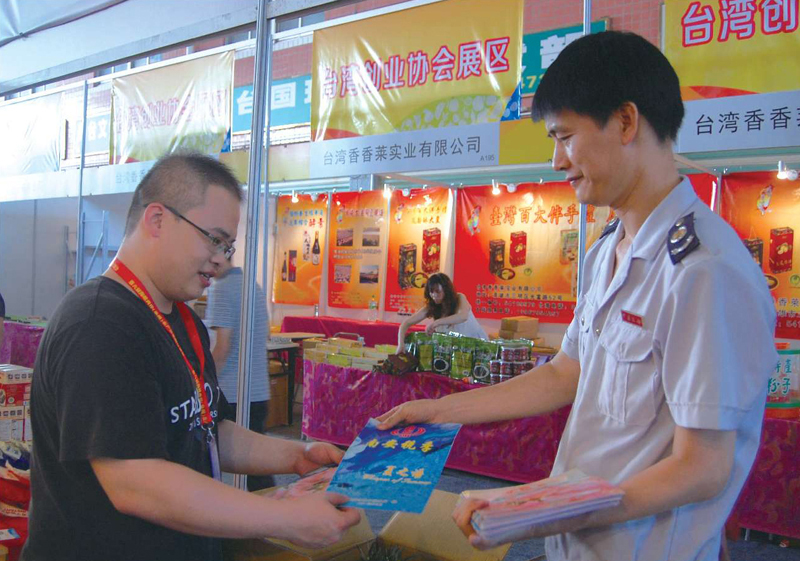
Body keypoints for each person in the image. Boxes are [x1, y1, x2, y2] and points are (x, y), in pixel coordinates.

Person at [378, 31, 777, 561]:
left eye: (564, 136)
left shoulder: (704, 271)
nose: (556, 160)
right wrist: (439, 410)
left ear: (626, 122)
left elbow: (703, 467)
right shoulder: (609, 248)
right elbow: (565, 373)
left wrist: (541, 507)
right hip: (580, 545)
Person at [24, 153, 360, 561]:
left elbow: (208, 429)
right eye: (213, 239)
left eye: (228, 245)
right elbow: (134, 481)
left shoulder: (182, 321)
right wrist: (283, 518)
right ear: (157, 220)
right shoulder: (99, 324)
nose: (221, 257)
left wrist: (297, 456)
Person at [206, 253, 273, 491]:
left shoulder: (222, 288)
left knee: (219, 463)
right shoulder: (253, 285)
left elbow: (222, 347)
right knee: (258, 469)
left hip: (233, 393)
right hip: (258, 390)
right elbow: (266, 333)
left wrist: (204, 380)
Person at [396, 272, 487, 353]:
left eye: (438, 291)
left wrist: (437, 323)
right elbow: (406, 324)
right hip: (459, 352)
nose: (434, 295)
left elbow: (463, 316)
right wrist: (401, 344)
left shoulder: (459, 298)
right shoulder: (432, 306)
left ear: (446, 290)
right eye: (431, 292)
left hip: (478, 347)